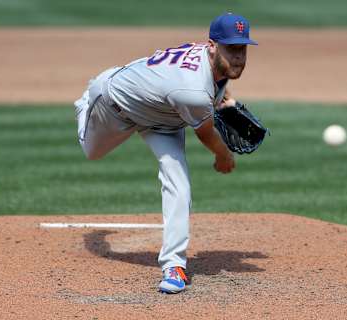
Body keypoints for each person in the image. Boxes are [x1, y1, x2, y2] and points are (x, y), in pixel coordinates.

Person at [74, 12, 258, 294]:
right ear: (212, 46)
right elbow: (206, 134)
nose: (238, 57)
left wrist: (224, 98)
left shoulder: (205, 66)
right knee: (92, 152)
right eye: (231, 48)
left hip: (164, 120)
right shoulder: (192, 91)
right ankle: (87, 99)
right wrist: (224, 156)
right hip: (115, 104)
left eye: (242, 49)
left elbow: (210, 82)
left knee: (178, 183)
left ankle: (174, 265)